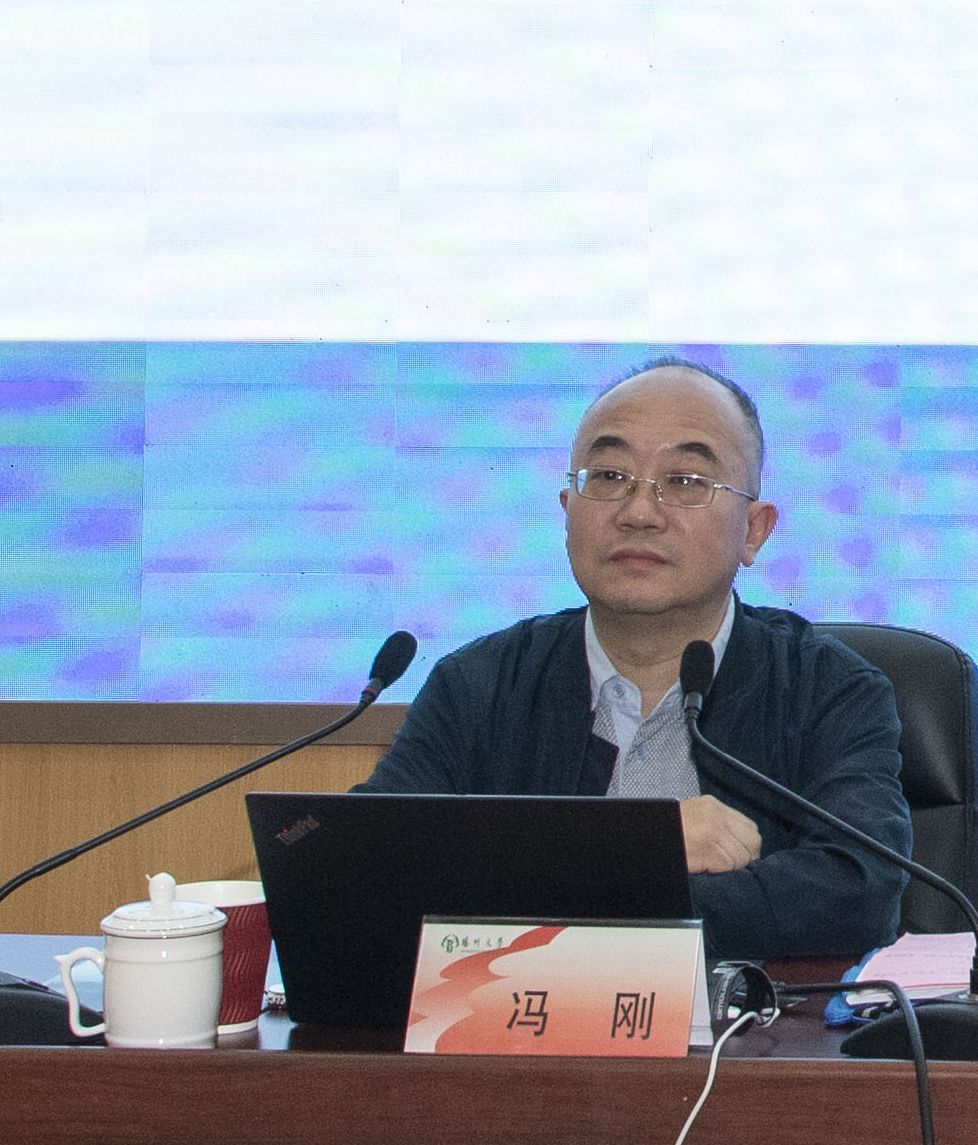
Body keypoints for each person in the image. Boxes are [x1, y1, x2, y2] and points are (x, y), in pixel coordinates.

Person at [363, 357, 911, 971]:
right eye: (609, 476)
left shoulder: (829, 689)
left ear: (754, 531)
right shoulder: (480, 685)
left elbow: (860, 891)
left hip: (748, 1031)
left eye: (686, 481)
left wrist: (551, 891)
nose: (640, 512)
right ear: (568, 509)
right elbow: (371, 867)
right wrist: (641, 847)